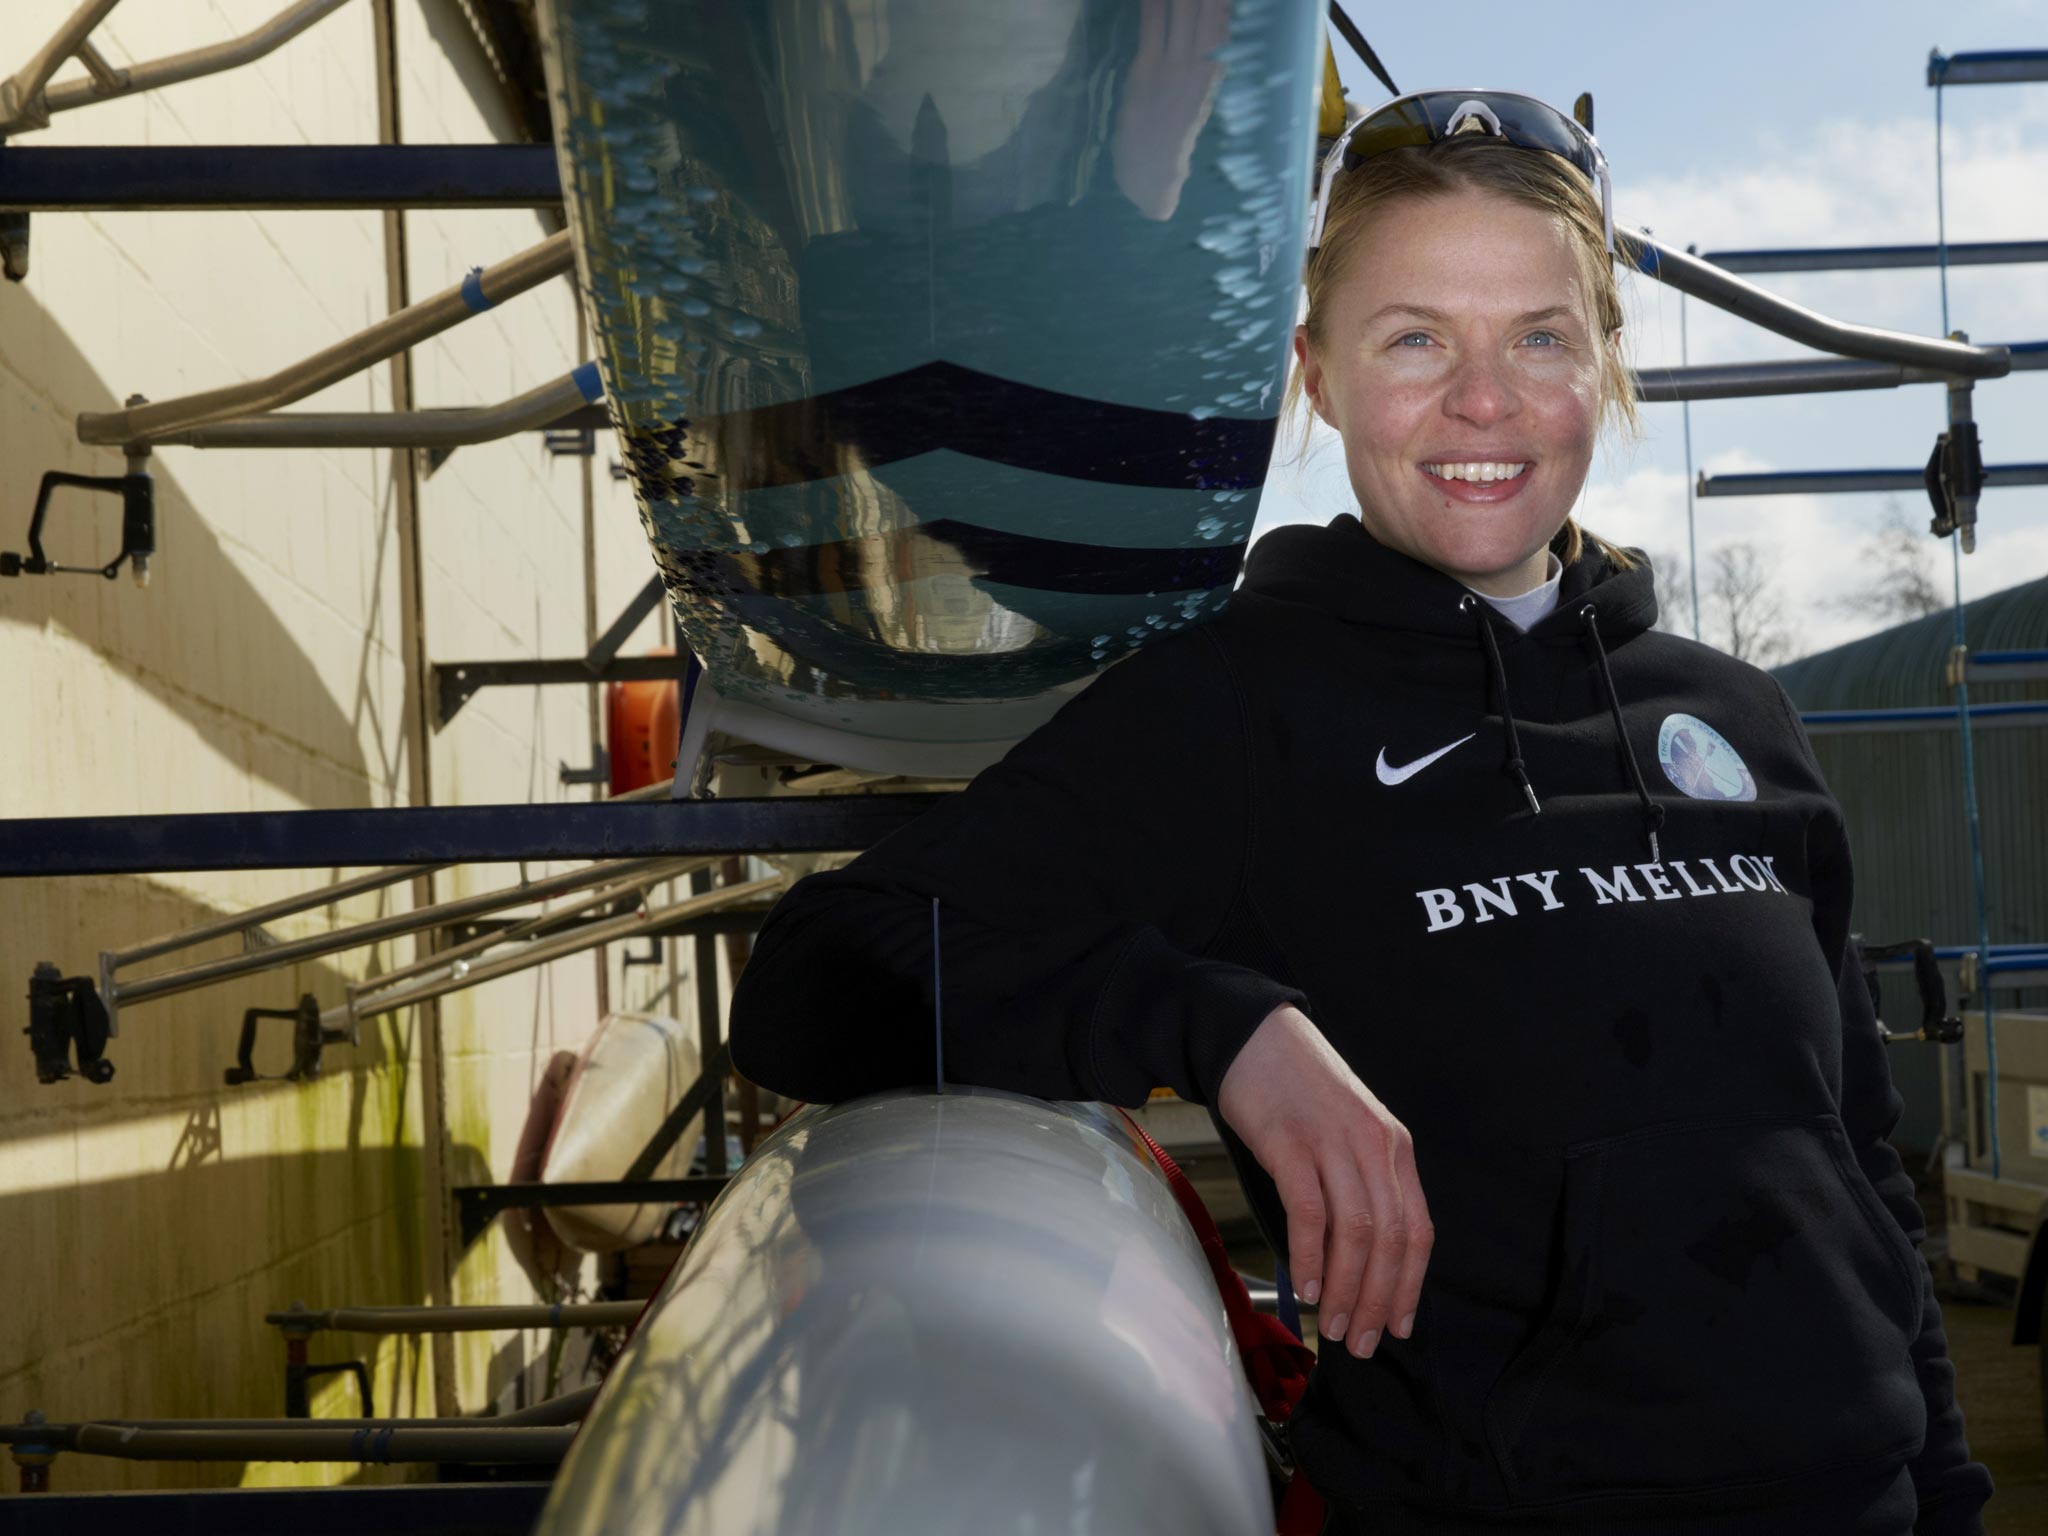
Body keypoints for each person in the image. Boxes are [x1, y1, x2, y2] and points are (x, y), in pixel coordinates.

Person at [729, 89, 1992, 1535]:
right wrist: (1219, 1025)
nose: (1484, 400)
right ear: (1315, 377)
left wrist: (1948, 1496)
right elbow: (814, 976)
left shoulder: (1735, 719)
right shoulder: (1236, 713)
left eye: (1538, 335)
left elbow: (1863, 1173)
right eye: (1415, 340)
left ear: (1605, 367)